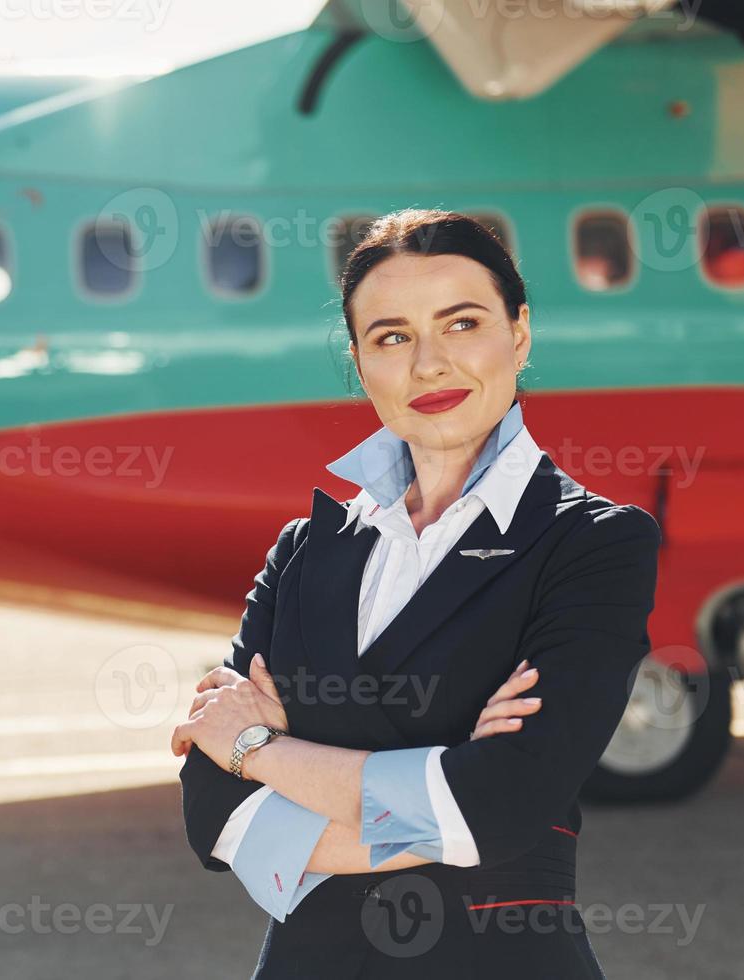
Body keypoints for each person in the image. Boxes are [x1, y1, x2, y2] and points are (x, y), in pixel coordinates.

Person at [171, 208, 662, 978]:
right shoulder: (304, 552)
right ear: (361, 363)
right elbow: (213, 813)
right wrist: (443, 793)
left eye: (462, 324)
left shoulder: (593, 544)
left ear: (519, 335)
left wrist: (257, 748)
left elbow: (499, 807)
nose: (429, 365)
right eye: (392, 337)